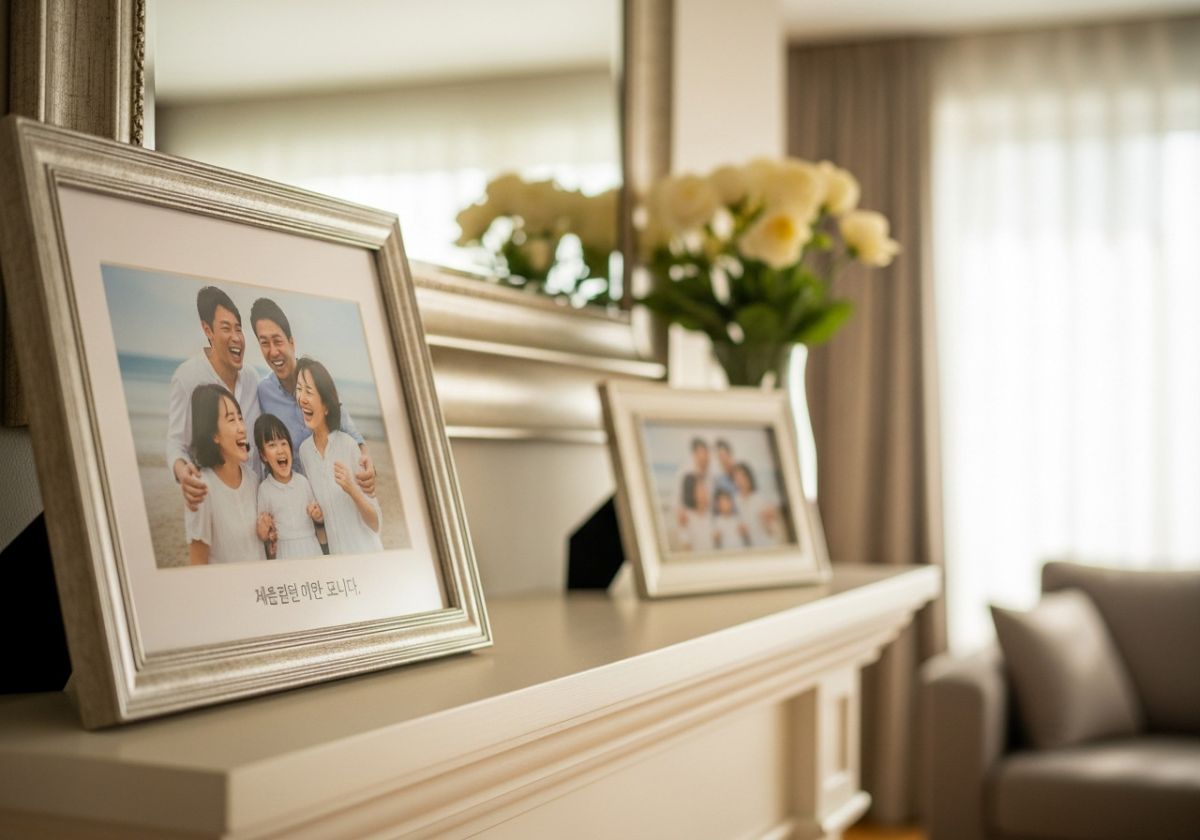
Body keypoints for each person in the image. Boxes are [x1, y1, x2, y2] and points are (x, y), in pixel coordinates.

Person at [249, 297, 376, 496]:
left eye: (278, 341)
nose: (273, 351)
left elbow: (347, 428)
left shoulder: (316, 378)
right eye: (264, 343)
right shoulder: (263, 392)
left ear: (291, 342)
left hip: (333, 490)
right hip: (298, 499)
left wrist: (366, 458)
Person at [166, 287, 261, 512]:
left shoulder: (251, 378)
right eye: (226, 328)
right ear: (207, 330)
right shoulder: (187, 377)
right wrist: (183, 472)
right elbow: (176, 442)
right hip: (218, 504)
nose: (236, 337)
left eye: (239, 329)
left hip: (257, 501)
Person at [295, 358, 383, 554]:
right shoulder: (304, 452)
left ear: (326, 406)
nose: (302, 398)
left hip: (366, 553)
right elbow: (326, 516)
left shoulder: (349, 445)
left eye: (309, 391)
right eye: (299, 389)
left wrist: (352, 489)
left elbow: (376, 523)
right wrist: (318, 517)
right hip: (339, 558)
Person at [185, 384, 268, 565]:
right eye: (231, 420)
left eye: (241, 418)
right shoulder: (201, 489)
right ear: (213, 434)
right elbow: (198, 565)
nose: (242, 428)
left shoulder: (253, 480)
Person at [254, 414, 325, 560]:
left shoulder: (303, 482)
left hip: (311, 548)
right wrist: (266, 532)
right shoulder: (264, 489)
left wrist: (317, 516)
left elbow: (318, 517)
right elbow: (264, 532)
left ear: (291, 448)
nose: (280, 450)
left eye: (283, 443)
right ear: (263, 456)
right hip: (284, 552)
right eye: (272, 445)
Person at [732, 462, 784, 547]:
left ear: (748, 478)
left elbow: (772, 527)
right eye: (736, 478)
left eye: (742, 477)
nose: (740, 481)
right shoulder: (736, 500)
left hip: (766, 543)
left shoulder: (759, 498)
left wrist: (769, 519)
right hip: (750, 546)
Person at [674, 437, 713, 528]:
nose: (704, 457)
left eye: (706, 453)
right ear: (694, 455)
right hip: (691, 519)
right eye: (700, 453)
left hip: (707, 520)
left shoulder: (711, 475)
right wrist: (679, 512)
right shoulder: (684, 474)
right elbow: (676, 499)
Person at [676, 473, 715, 552]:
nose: (705, 491)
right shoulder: (686, 517)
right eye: (701, 488)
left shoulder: (711, 514)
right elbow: (686, 548)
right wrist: (683, 527)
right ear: (692, 493)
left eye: (705, 487)